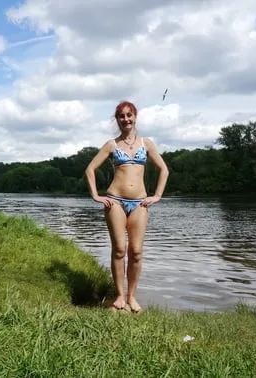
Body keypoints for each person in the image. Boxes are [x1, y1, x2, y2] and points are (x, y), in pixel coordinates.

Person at [85, 101, 169, 312]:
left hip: (140, 202)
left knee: (137, 251)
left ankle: (132, 296)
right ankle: (119, 296)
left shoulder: (146, 144)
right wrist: (96, 195)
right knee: (120, 249)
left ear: (135, 117)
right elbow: (90, 169)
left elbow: (164, 170)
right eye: (121, 116)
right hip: (115, 200)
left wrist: (157, 196)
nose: (126, 119)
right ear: (117, 120)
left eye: (129, 115)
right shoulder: (111, 145)